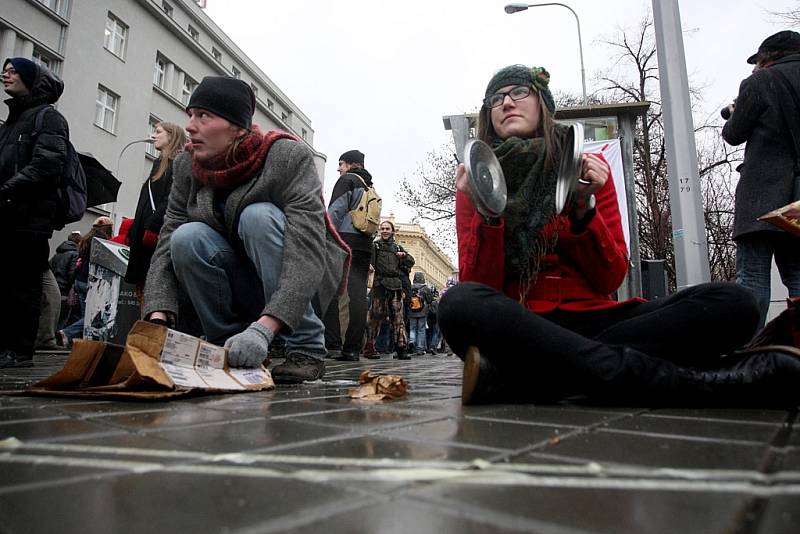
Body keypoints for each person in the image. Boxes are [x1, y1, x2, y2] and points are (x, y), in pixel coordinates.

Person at [439, 64, 800, 406]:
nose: (506, 102)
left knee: (736, 303)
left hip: (597, 321)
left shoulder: (585, 170)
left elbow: (609, 276)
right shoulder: (475, 179)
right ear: (489, 115)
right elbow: (480, 283)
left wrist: (583, 211)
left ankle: (530, 378)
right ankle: (682, 382)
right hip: (523, 322)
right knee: (459, 304)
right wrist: (488, 214)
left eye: (519, 91)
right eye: (495, 99)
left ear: (543, 105)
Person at [144, 76, 348, 384]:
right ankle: (229, 344)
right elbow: (169, 235)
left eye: (204, 116)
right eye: (190, 114)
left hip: (298, 280)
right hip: (241, 280)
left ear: (238, 128)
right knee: (187, 236)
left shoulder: (287, 157)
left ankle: (306, 347)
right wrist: (157, 314)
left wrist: (264, 328)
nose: (190, 126)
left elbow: (307, 249)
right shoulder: (187, 165)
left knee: (258, 216)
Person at [722, 30, 800, 328]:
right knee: (797, 273)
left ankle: (752, 351)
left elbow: (733, 134)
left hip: (761, 199)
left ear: (769, 57)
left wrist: (736, 109)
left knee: (753, 277)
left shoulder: (758, 83)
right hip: (797, 200)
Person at [0, 58, 69, 368]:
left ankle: (19, 350)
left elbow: (46, 165)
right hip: (6, 214)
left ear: (31, 78)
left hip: (29, 218)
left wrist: (7, 189)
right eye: (5, 69)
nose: (5, 74)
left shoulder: (48, 119)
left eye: (14, 71)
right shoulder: (11, 123)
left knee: (24, 285)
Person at [322, 149, 376, 361]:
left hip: (343, 241)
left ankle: (333, 343)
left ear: (351, 165)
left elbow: (334, 212)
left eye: (341, 164)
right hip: (364, 245)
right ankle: (352, 349)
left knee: (329, 291)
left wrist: (324, 237)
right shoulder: (369, 185)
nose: (338, 168)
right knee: (358, 296)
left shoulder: (348, 181)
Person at [125, 122, 187, 292]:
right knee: (144, 291)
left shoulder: (177, 164)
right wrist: (133, 231)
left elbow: (170, 199)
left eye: (158, 132)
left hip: (155, 238)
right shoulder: (159, 164)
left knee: (155, 290)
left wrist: (153, 227)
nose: (153, 136)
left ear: (171, 136)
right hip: (144, 239)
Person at [58, 217, 113, 347]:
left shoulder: (85, 240)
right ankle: (67, 333)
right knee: (93, 316)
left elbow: (79, 263)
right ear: (108, 229)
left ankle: (79, 343)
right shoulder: (102, 242)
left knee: (85, 314)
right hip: (92, 282)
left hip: (80, 280)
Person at [363, 221, 414, 360]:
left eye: (387, 229)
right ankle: (370, 348)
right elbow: (369, 261)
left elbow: (411, 262)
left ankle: (401, 349)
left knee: (398, 319)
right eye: (382, 228)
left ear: (392, 231)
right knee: (375, 318)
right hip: (379, 285)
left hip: (396, 286)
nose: (384, 231)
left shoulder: (398, 247)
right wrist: (369, 266)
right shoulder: (375, 245)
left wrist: (404, 256)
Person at [407, 271, 431, 354]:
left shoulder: (410, 287)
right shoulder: (425, 288)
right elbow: (429, 300)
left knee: (412, 328)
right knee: (421, 329)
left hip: (412, 311)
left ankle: (412, 341)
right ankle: (420, 348)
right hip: (422, 311)